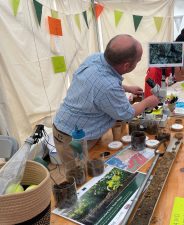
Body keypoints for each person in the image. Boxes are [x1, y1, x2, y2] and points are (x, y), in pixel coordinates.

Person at [53, 34, 160, 164]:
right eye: (138, 61)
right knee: (79, 177)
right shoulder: (108, 86)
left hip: (73, 126)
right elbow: (127, 114)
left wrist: (126, 88)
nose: (138, 63)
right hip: (71, 137)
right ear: (127, 66)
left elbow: (97, 84)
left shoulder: (96, 58)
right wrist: (148, 102)